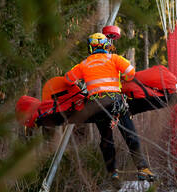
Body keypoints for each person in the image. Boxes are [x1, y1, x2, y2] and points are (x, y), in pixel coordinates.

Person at [64, 33, 155, 185]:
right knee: (130, 134)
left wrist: (81, 85)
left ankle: (113, 173)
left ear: (91, 47)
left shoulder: (84, 64)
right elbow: (131, 73)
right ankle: (142, 169)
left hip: (96, 106)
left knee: (106, 139)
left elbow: (68, 79)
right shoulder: (114, 58)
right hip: (115, 102)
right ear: (106, 46)